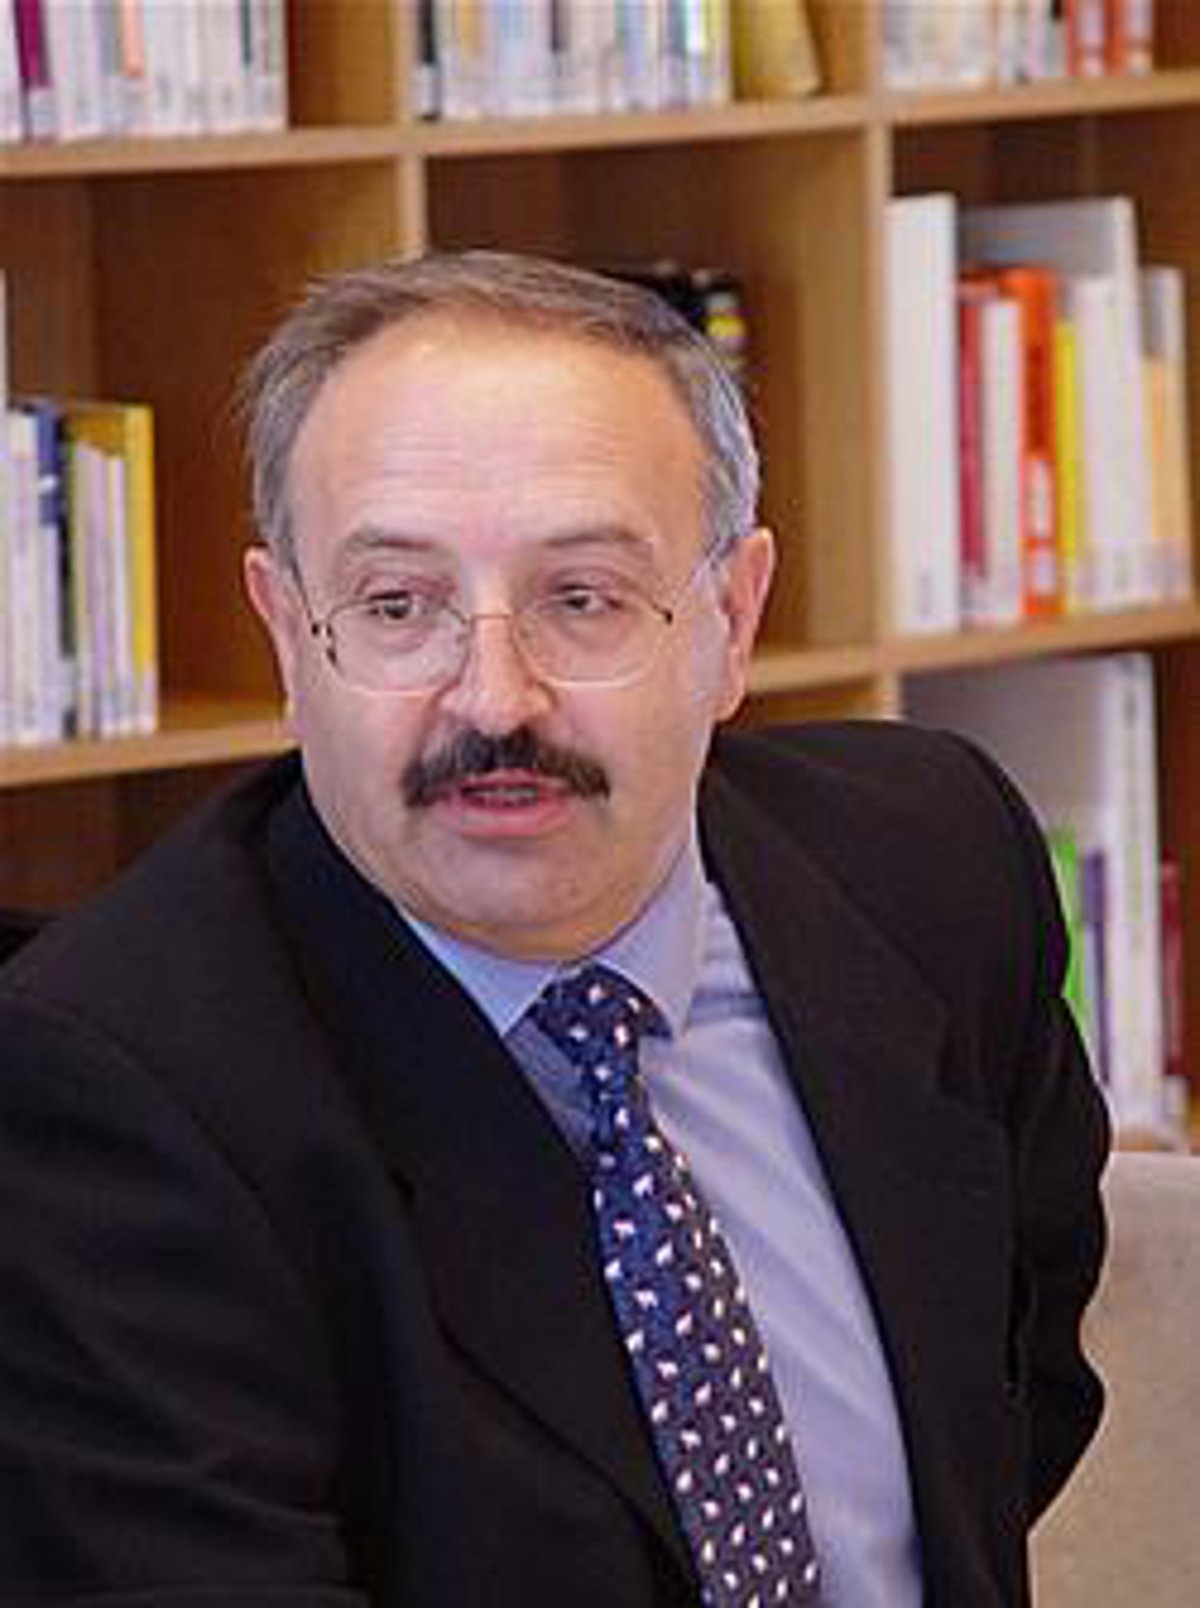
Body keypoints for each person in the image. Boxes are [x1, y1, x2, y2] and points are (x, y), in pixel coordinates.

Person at [0, 251, 1108, 1607]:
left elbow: (1017, 1398)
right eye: (396, 606)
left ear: (731, 619)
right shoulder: (115, 1091)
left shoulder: (933, 868)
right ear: (289, 636)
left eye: (582, 598)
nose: (494, 699)